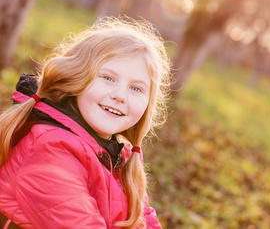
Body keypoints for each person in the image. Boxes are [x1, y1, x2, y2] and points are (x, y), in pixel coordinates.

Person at [0, 17, 171, 229]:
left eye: (136, 88)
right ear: (76, 77)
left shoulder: (121, 159)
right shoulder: (50, 149)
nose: (120, 96)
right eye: (108, 78)